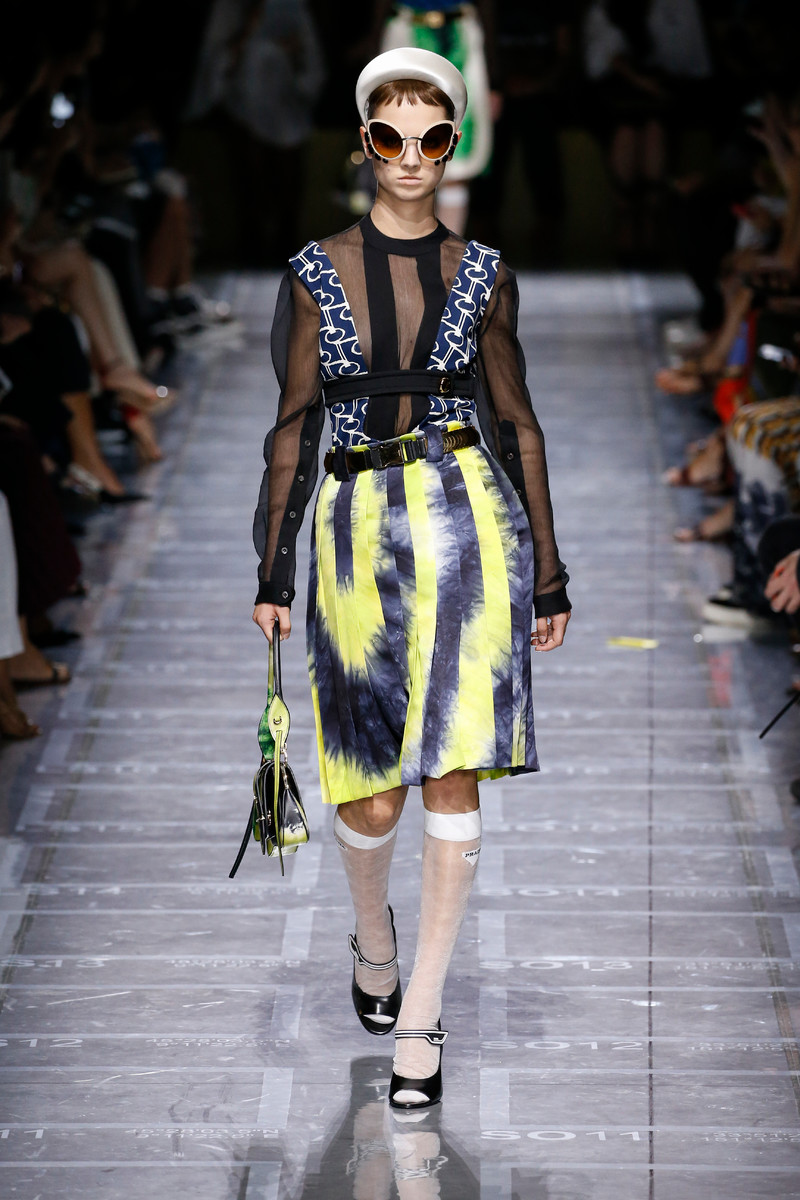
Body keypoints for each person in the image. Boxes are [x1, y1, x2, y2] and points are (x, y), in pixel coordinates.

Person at [252, 47, 571, 1110]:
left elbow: (516, 421)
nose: (409, 156)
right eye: (390, 136)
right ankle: (373, 937)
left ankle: (423, 1016)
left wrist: (549, 573)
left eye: (430, 138)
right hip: (352, 526)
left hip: (464, 516)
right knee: (369, 787)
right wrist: (273, 569)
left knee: (452, 770)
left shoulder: (483, 272)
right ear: (364, 144)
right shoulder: (314, 271)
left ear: (452, 148)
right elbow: (293, 426)